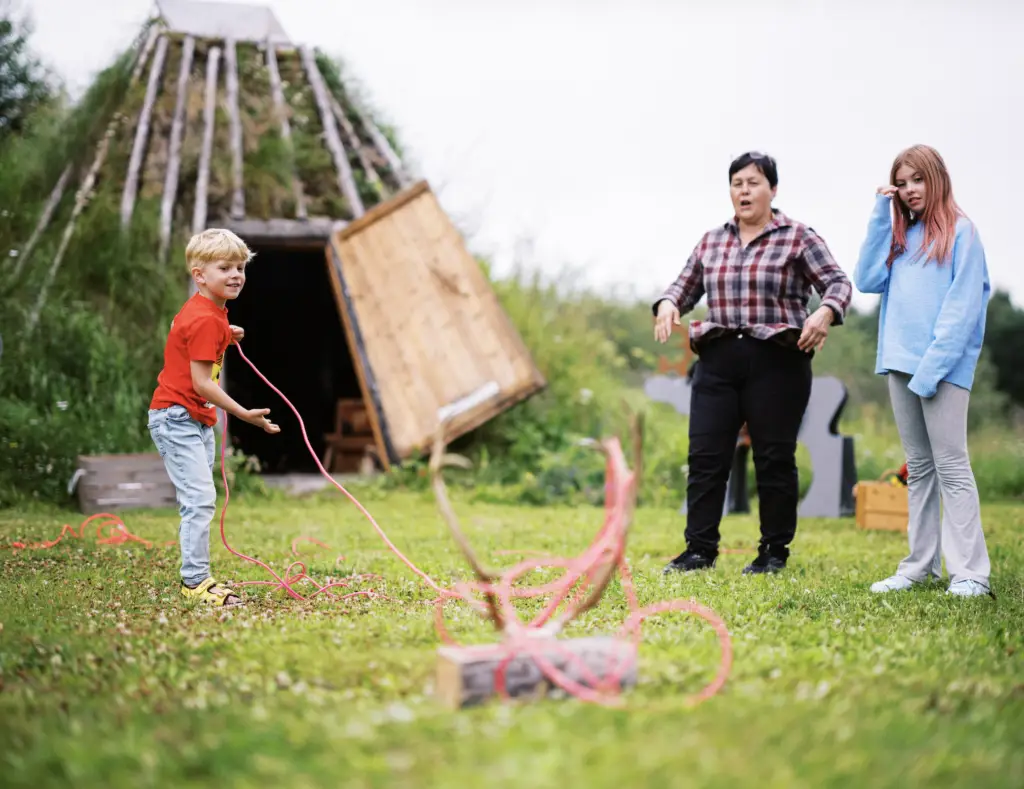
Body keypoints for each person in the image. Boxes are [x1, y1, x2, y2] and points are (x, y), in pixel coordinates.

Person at [654, 151, 852, 575]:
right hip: (718, 359)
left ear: (772, 189)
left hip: (777, 361)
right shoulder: (712, 241)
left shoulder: (798, 237)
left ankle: (773, 552)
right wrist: (669, 303)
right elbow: (683, 286)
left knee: (773, 458)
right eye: (737, 183)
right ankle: (699, 551)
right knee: (706, 456)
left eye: (753, 183)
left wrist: (825, 312)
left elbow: (837, 282)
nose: (744, 191)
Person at [852, 144, 993, 598]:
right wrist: (881, 212)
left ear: (937, 179)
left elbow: (963, 309)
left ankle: (970, 573)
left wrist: (931, 370)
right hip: (899, 363)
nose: (910, 189)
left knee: (951, 465)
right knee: (919, 468)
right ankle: (919, 567)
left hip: (943, 368)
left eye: (918, 179)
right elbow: (866, 279)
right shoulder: (899, 237)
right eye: (902, 182)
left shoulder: (963, 233)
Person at [148, 228, 281, 606]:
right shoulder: (207, 319)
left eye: (240, 267)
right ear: (200, 275)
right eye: (225, 268)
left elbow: (189, 331)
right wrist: (242, 414)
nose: (236, 275)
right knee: (200, 499)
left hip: (191, 419)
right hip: (178, 418)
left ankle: (197, 576)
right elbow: (202, 383)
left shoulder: (207, 312)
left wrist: (225, 332)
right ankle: (195, 582)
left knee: (199, 498)